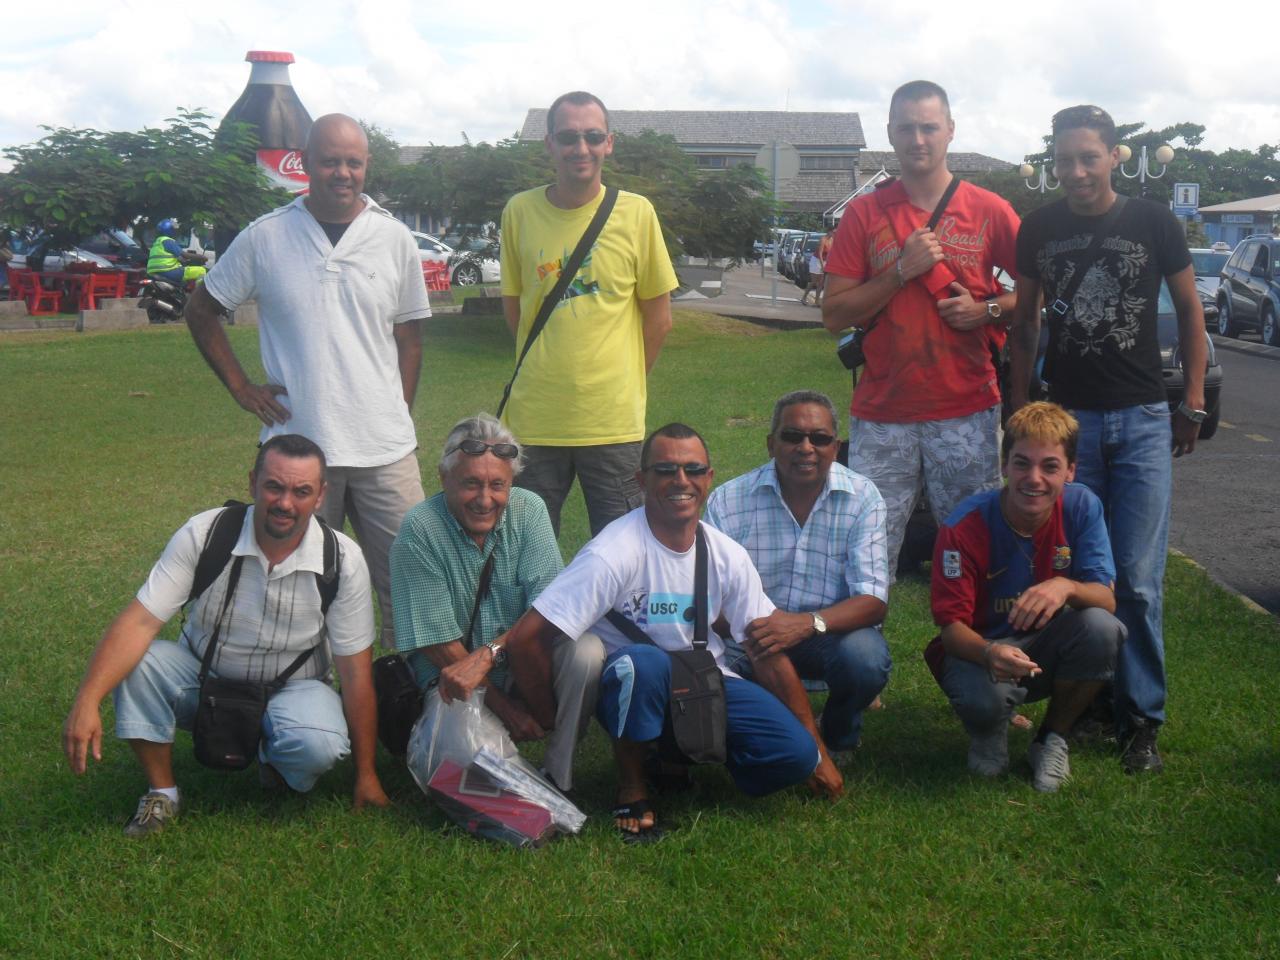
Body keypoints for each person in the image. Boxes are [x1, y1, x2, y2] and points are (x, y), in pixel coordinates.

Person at [435, 424, 833, 841]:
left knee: (794, 756)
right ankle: (632, 786)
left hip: (703, 682)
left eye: (693, 469)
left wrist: (819, 752)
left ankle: (683, 753)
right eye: (665, 470)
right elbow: (529, 636)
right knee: (644, 663)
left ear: (709, 478)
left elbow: (764, 647)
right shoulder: (614, 551)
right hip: (628, 685)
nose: (681, 481)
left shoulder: (726, 554)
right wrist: (546, 713)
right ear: (641, 480)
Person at [1008, 105, 1206, 774]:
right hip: (1069, 424)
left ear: (1116, 156)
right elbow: (1026, 326)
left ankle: (1141, 717)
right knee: (1075, 568)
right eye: (1064, 160)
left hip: (1143, 417)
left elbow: (1188, 312)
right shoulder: (1039, 227)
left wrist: (1195, 399)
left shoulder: (1153, 221)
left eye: (1089, 157)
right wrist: (1016, 412)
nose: (1076, 171)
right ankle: (1087, 700)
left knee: (1140, 580)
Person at [184, 114, 431, 647]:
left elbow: (410, 339)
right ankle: (304, 702)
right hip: (297, 455)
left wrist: (398, 411)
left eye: (354, 162)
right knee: (299, 592)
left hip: (386, 454)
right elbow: (202, 309)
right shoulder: (266, 237)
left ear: (366, 165)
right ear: (306, 162)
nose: (342, 173)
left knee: (410, 586)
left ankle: (406, 703)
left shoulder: (393, 239)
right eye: (330, 160)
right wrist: (240, 388)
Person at [62, 435, 388, 836]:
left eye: (301, 491)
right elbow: (139, 623)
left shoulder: (342, 559)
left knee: (317, 746)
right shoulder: (206, 533)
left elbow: (355, 674)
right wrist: (87, 699)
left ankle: (275, 756)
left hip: (296, 686)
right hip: (204, 677)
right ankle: (162, 791)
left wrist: (367, 774)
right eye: (274, 486)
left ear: (321, 496)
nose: (286, 503)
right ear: (253, 482)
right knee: (138, 663)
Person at [822, 80, 1021, 575]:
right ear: (890, 133)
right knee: (868, 556)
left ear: (950, 131)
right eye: (907, 128)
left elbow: (1036, 295)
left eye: (929, 127)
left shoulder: (989, 210)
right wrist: (899, 272)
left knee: (972, 553)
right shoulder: (864, 213)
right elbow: (834, 315)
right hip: (883, 414)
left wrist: (987, 311)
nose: (919, 139)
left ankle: (972, 651)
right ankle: (864, 652)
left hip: (967, 409)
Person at [389, 414, 604, 792]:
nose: (485, 499)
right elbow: (438, 643)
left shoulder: (530, 509)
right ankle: (510, 779)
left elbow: (549, 607)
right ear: (444, 479)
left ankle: (559, 771)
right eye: (471, 484)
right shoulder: (420, 527)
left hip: (521, 661)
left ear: (511, 483)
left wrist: (489, 653)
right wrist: (506, 710)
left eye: (497, 485)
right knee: (478, 774)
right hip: (450, 680)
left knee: (586, 650)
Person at [499, 90, 679, 537]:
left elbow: (659, 319)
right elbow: (515, 310)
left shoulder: (637, 213)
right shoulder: (519, 212)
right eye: (568, 137)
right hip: (535, 420)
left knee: (623, 555)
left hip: (612, 423)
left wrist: (621, 380)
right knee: (528, 554)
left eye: (592, 136)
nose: (581, 148)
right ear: (550, 145)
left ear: (609, 142)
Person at [928, 403, 1125, 792]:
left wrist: (1066, 586)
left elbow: (1107, 599)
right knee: (982, 700)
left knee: (1104, 629)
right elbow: (951, 631)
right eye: (1022, 463)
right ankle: (989, 730)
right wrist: (989, 653)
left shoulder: (1083, 506)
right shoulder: (963, 526)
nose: (1033, 479)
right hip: (981, 651)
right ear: (1004, 465)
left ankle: (1051, 738)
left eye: (1050, 466)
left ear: (1070, 470)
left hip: (1046, 648)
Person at [705, 390, 890, 762]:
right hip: (749, 638)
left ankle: (839, 736)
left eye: (819, 438)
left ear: (835, 448)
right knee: (699, 689)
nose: (806, 447)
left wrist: (805, 624)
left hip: (824, 634)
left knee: (865, 657)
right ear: (771, 444)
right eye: (792, 436)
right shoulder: (728, 500)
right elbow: (707, 598)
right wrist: (761, 631)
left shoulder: (863, 497)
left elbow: (873, 600)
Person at [146, 218, 207, 284]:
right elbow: (184, 255)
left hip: (153, 272)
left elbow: (176, 257)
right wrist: (202, 257)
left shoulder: (157, 242)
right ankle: (197, 293)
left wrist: (183, 260)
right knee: (202, 270)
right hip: (168, 272)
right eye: (173, 229)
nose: (175, 231)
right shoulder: (168, 241)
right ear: (170, 230)